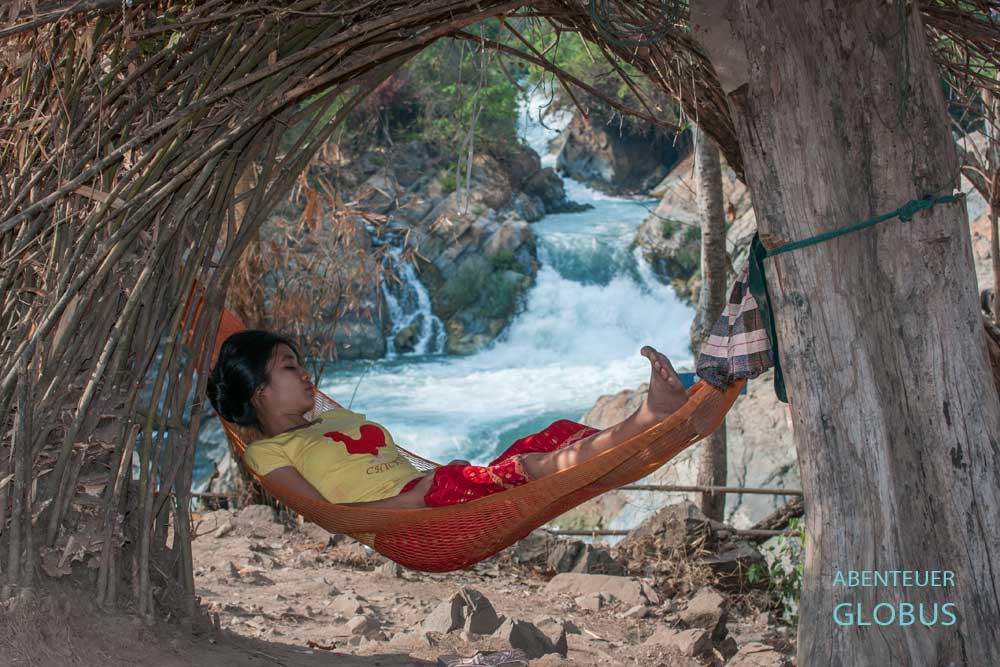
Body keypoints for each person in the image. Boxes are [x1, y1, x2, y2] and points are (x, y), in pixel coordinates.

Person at [206, 330, 690, 510]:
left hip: (441, 486)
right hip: (422, 507)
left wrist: (433, 478)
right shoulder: (269, 453)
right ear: (260, 390)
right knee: (529, 468)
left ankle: (646, 437)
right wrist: (415, 501)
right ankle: (651, 417)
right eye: (290, 366)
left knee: (558, 434)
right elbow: (329, 516)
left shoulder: (331, 417)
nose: (306, 372)